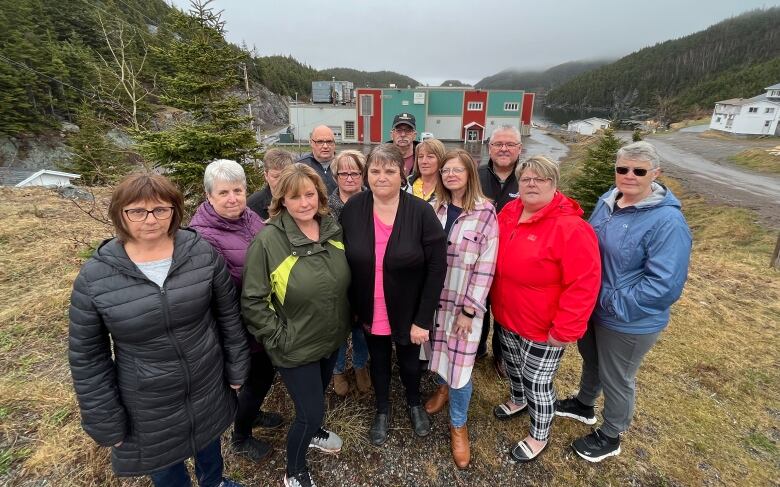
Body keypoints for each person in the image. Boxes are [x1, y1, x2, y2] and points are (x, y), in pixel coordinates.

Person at [68, 173, 249, 487]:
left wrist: (236, 369)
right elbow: (87, 358)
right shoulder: (96, 277)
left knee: (209, 443)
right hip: (146, 400)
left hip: (206, 379)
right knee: (166, 467)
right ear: (120, 215)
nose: (150, 219)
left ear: (174, 211)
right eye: (137, 211)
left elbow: (228, 316)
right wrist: (106, 420)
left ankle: (215, 482)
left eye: (160, 210)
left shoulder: (201, 253)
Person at [556, 141, 692, 463]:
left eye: (639, 171)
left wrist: (611, 302)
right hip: (593, 306)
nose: (629, 175)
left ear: (655, 174)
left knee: (617, 376)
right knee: (592, 358)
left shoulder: (668, 223)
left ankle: (611, 434)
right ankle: (584, 404)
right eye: (622, 169)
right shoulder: (607, 200)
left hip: (628, 318)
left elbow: (664, 285)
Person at [242, 163, 351, 487]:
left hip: (330, 338)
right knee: (310, 411)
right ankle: (294, 471)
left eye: (310, 195)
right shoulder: (268, 241)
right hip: (295, 345)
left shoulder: (331, 228)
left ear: (319, 196)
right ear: (282, 201)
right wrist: (280, 337)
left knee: (315, 399)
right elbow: (252, 300)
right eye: (295, 197)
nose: (305, 203)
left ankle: (314, 433)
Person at [490, 156, 601, 462]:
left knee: (537, 382)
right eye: (526, 179)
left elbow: (583, 284)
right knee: (513, 368)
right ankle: (517, 399)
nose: (532, 184)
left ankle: (539, 434)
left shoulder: (571, 228)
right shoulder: (509, 213)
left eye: (541, 179)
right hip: (507, 314)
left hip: (543, 325)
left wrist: (565, 329)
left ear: (554, 184)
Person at [340, 144, 447, 446]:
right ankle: (382, 409)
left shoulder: (421, 212)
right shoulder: (353, 209)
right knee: (379, 359)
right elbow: (341, 257)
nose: (381, 177)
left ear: (402, 174)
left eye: (389, 170)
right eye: (375, 170)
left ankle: (414, 403)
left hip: (409, 309)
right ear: (366, 175)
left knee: (411, 361)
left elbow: (437, 267)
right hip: (369, 306)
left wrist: (423, 319)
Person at [189, 159, 282, 464]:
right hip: (237, 323)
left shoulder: (248, 218)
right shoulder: (203, 236)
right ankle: (240, 437)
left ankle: (251, 414)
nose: (233, 198)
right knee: (257, 377)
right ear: (209, 196)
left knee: (261, 377)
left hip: (259, 316)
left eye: (238, 190)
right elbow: (220, 289)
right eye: (224, 192)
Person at [424, 149, 498, 469]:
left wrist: (470, 311)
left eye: (457, 170)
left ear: (470, 173)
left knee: (463, 367)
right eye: (445, 170)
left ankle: (458, 424)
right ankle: (442, 387)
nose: (450, 175)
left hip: (463, 305)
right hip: (433, 300)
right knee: (440, 352)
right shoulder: (432, 208)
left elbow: (486, 266)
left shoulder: (485, 213)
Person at [477, 124, 523, 378]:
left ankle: (502, 354)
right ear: (489, 148)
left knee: (506, 311)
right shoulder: (477, 175)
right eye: (498, 144)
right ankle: (478, 348)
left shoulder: (528, 176)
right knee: (479, 306)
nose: (504, 149)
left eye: (510, 144)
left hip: (512, 260)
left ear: (519, 148)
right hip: (480, 257)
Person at [326, 150, 371, 397]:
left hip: (365, 276)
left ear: (363, 175)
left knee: (362, 325)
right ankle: (338, 368)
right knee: (339, 326)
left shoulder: (372, 202)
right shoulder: (326, 208)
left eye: (355, 172)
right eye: (344, 173)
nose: (350, 178)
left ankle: (361, 365)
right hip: (336, 277)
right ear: (335, 176)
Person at [247, 148, 295, 220]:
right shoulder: (253, 205)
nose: (281, 181)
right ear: (266, 175)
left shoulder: (303, 198)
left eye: (285, 176)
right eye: (276, 176)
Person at [298, 125, 338, 194]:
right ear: (311, 143)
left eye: (329, 141)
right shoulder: (299, 167)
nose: (325, 146)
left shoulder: (344, 165)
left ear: (334, 143)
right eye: (320, 142)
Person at [406, 138, 446, 202]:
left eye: (430, 157)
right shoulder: (405, 186)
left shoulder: (448, 188)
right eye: (420, 157)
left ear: (440, 159)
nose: (424, 161)